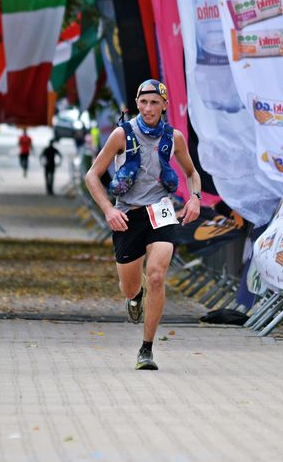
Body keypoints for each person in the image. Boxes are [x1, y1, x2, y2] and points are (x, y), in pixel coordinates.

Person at [84, 79, 201, 370]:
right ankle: (135, 296)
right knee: (129, 286)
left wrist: (195, 198)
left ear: (164, 106)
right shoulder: (121, 135)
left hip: (160, 211)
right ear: (137, 104)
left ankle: (146, 348)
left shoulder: (174, 137)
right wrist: (109, 210)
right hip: (128, 215)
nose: (148, 108)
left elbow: (191, 173)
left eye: (154, 103)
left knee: (157, 276)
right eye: (144, 102)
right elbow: (92, 176)